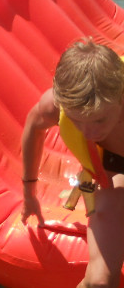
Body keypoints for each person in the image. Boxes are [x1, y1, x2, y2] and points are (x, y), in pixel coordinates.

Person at [21, 38, 124, 288]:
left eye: (99, 120)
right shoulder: (56, 105)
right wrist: (29, 192)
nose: (88, 133)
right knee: (99, 282)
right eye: (77, 121)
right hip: (114, 167)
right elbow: (33, 127)